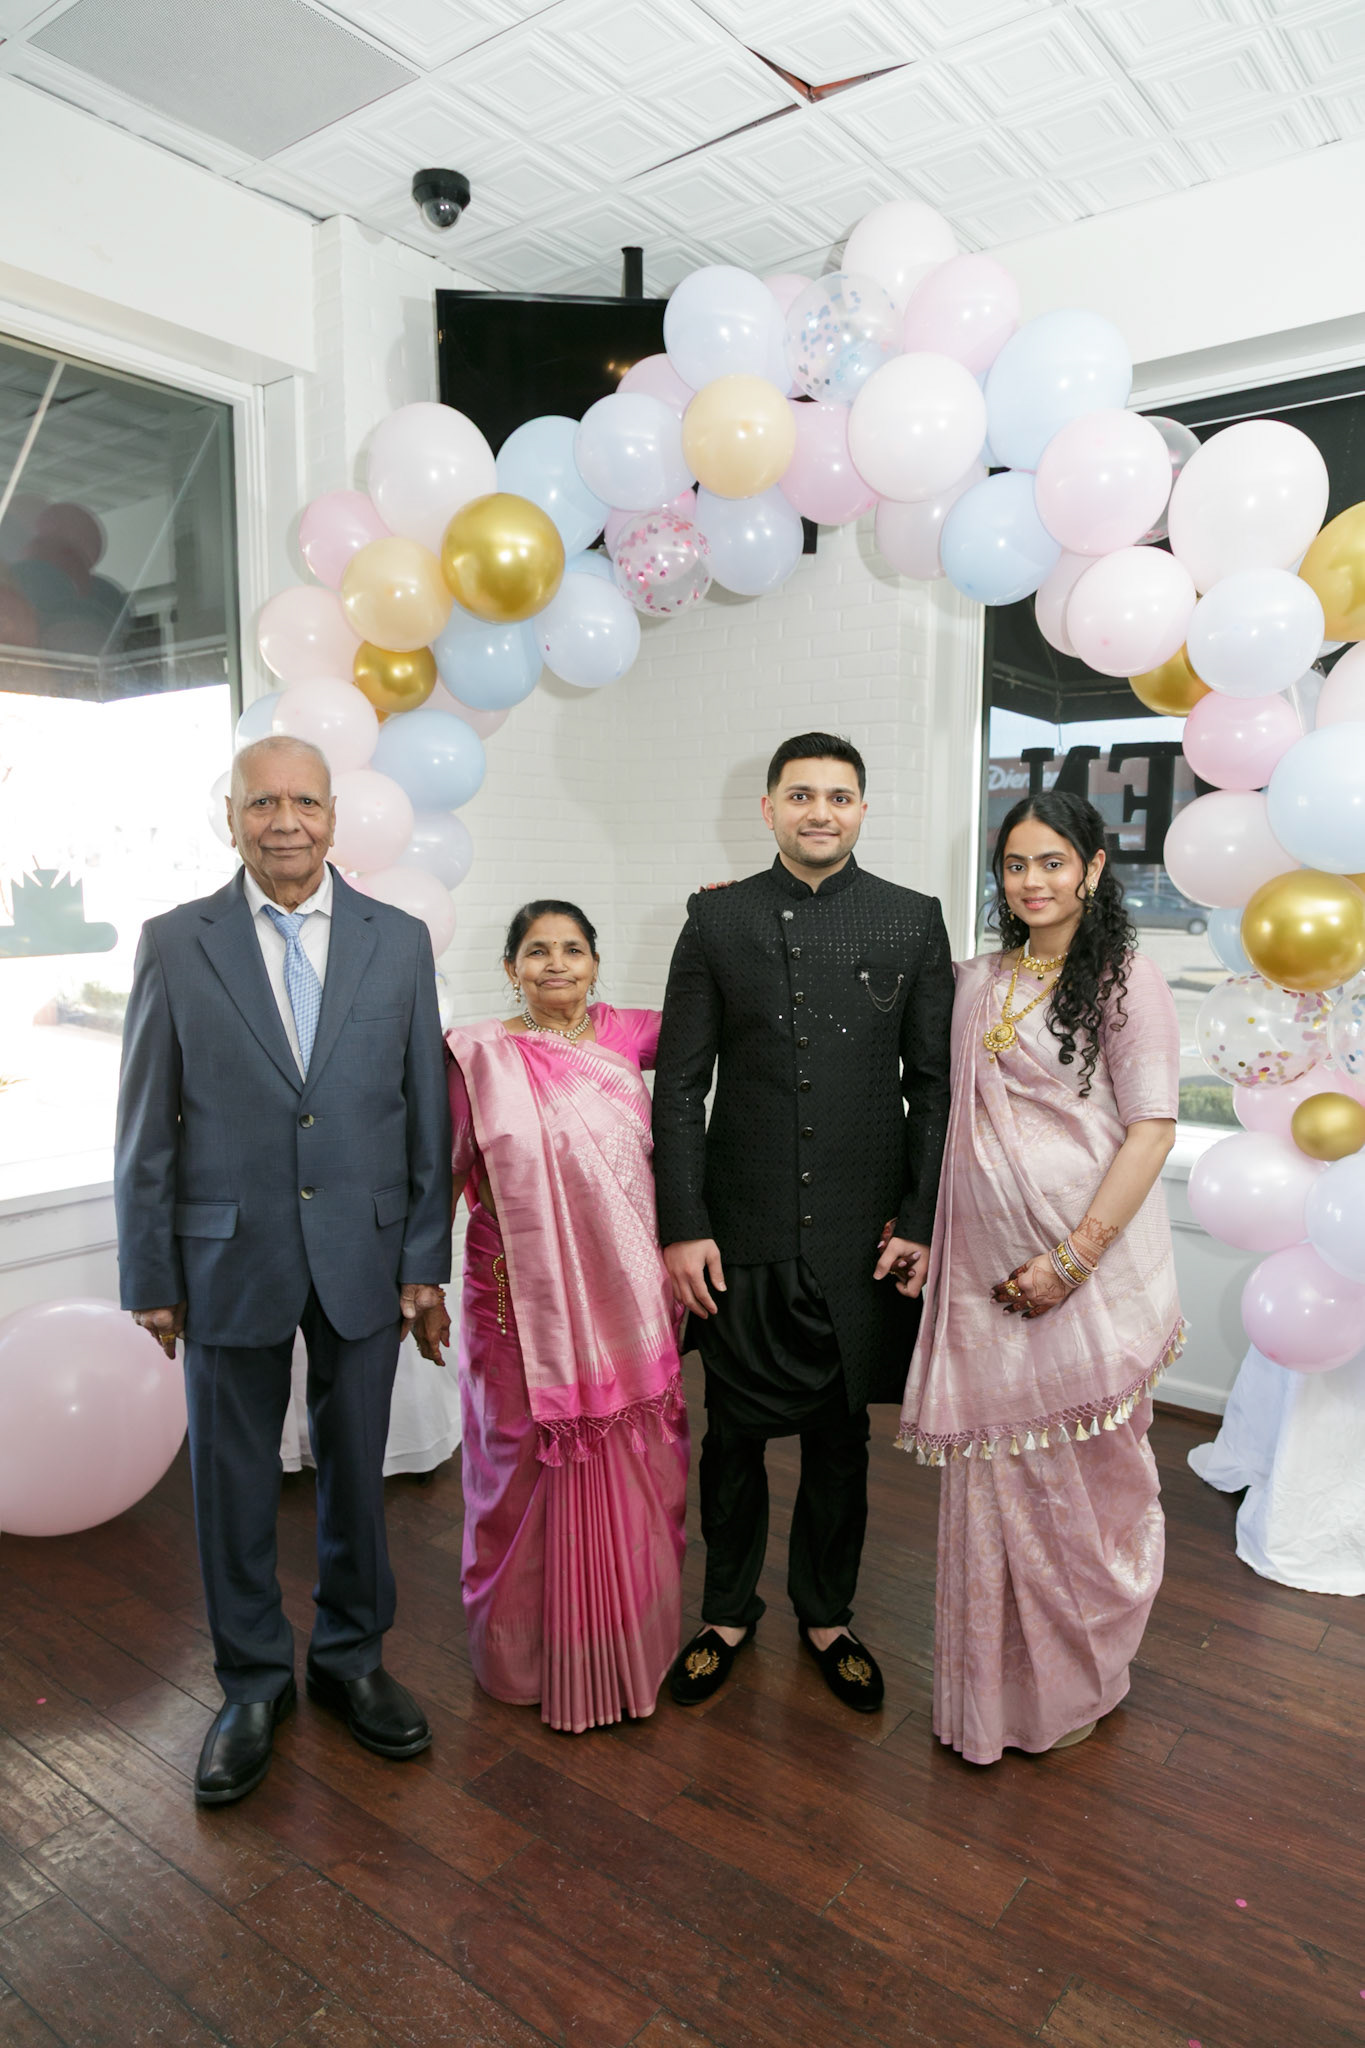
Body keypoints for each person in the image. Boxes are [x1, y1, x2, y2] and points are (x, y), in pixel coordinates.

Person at [115, 735, 452, 1805]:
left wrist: (425, 1257)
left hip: (367, 1253)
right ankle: (253, 1681)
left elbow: (426, 1113)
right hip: (225, 1257)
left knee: (357, 1473)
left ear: (334, 816)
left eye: (304, 800)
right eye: (262, 802)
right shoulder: (176, 942)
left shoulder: (399, 941)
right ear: (231, 817)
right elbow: (145, 1126)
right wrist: (151, 1274)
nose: (285, 821)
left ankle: (351, 1659)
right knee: (231, 1483)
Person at [652, 733, 954, 1712]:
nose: (819, 811)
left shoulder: (912, 918)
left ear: (863, 808)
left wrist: (919, 1218)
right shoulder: (716, 917)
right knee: (733, 1439)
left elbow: (934, 1086)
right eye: (800, 794)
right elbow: (680, 1084)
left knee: (839, 1441)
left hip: (862, 1233)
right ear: (769, 808)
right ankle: (725, 1612)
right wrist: (682, 1222)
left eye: (838, 795)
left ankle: (828, 1615)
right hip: (740, 1229)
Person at [899, 791, 1183, 1765]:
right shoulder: (978, 980)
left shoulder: (1124, 979)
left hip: (1083, 1280)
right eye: (1015, 864)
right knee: (998, 1485)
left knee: (1091, 1492)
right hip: (988, 1286)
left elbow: (1151, 1130)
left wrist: (1072, 1258)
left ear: (1093, 868)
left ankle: (1082, 1674)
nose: (1031, 881)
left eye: (1052, 861)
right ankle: (997, 1699)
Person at [438, 901, 689, 1732]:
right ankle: (523, 1658)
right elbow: (443, 1172)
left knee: (636, 1455)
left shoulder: (627, 1034)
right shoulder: (477, 1054)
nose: (556, 964)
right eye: (537, 951)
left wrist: (717, 918)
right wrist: (418, 1281)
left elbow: (720, 1012)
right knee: (515, 1463)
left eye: (572, 950)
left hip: (626, 1295)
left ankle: (624, 1644)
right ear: (511, 967)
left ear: (594, 964)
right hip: (514, 1296)